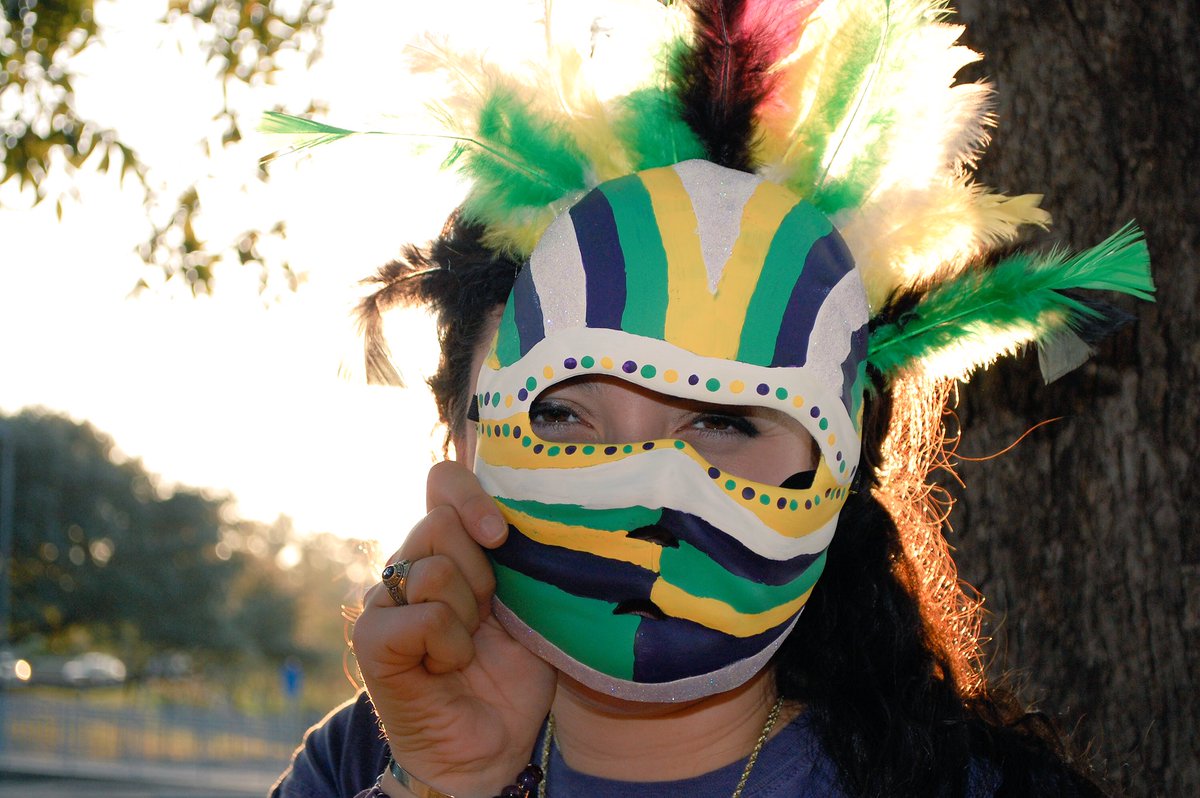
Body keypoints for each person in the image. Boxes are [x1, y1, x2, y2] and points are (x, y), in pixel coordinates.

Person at [268, 2, 1153, 796]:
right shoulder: (366, 762)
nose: (648, 486)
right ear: (459, 440)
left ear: (838, 468)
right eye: (562, 414)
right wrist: (436, 787)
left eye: (726, 420)